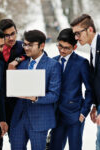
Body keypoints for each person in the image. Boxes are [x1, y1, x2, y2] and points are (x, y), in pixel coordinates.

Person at [9, 29, 61, 150]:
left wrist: (35, 97)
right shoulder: (21, 64)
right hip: (19, 118)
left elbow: (54, 95)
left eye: (30, 45)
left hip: (40, 119)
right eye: (25, 44)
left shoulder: (53, 65)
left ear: (42, 45)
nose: (26, 48)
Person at [49, 28, 92, 150]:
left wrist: (84, 112)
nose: (62, 50)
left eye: (66, 48)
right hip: (56, 115)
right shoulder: (52, 61)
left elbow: (89, 89)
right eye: (60, 46)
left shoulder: (81, 63)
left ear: (74, 47)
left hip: (75, 115)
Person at [0, 19, 26, 150]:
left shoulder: (22, 46)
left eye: (13, 33)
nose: (11, 38)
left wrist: (16, 61)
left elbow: (35, 53)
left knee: (16, 141)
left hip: (16, 102)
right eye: (7, 35)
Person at [70, 13, 100, 150]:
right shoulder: (94, 48)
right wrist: (95, 104)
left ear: (90, 29)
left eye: (78, 33)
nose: (76, 38)